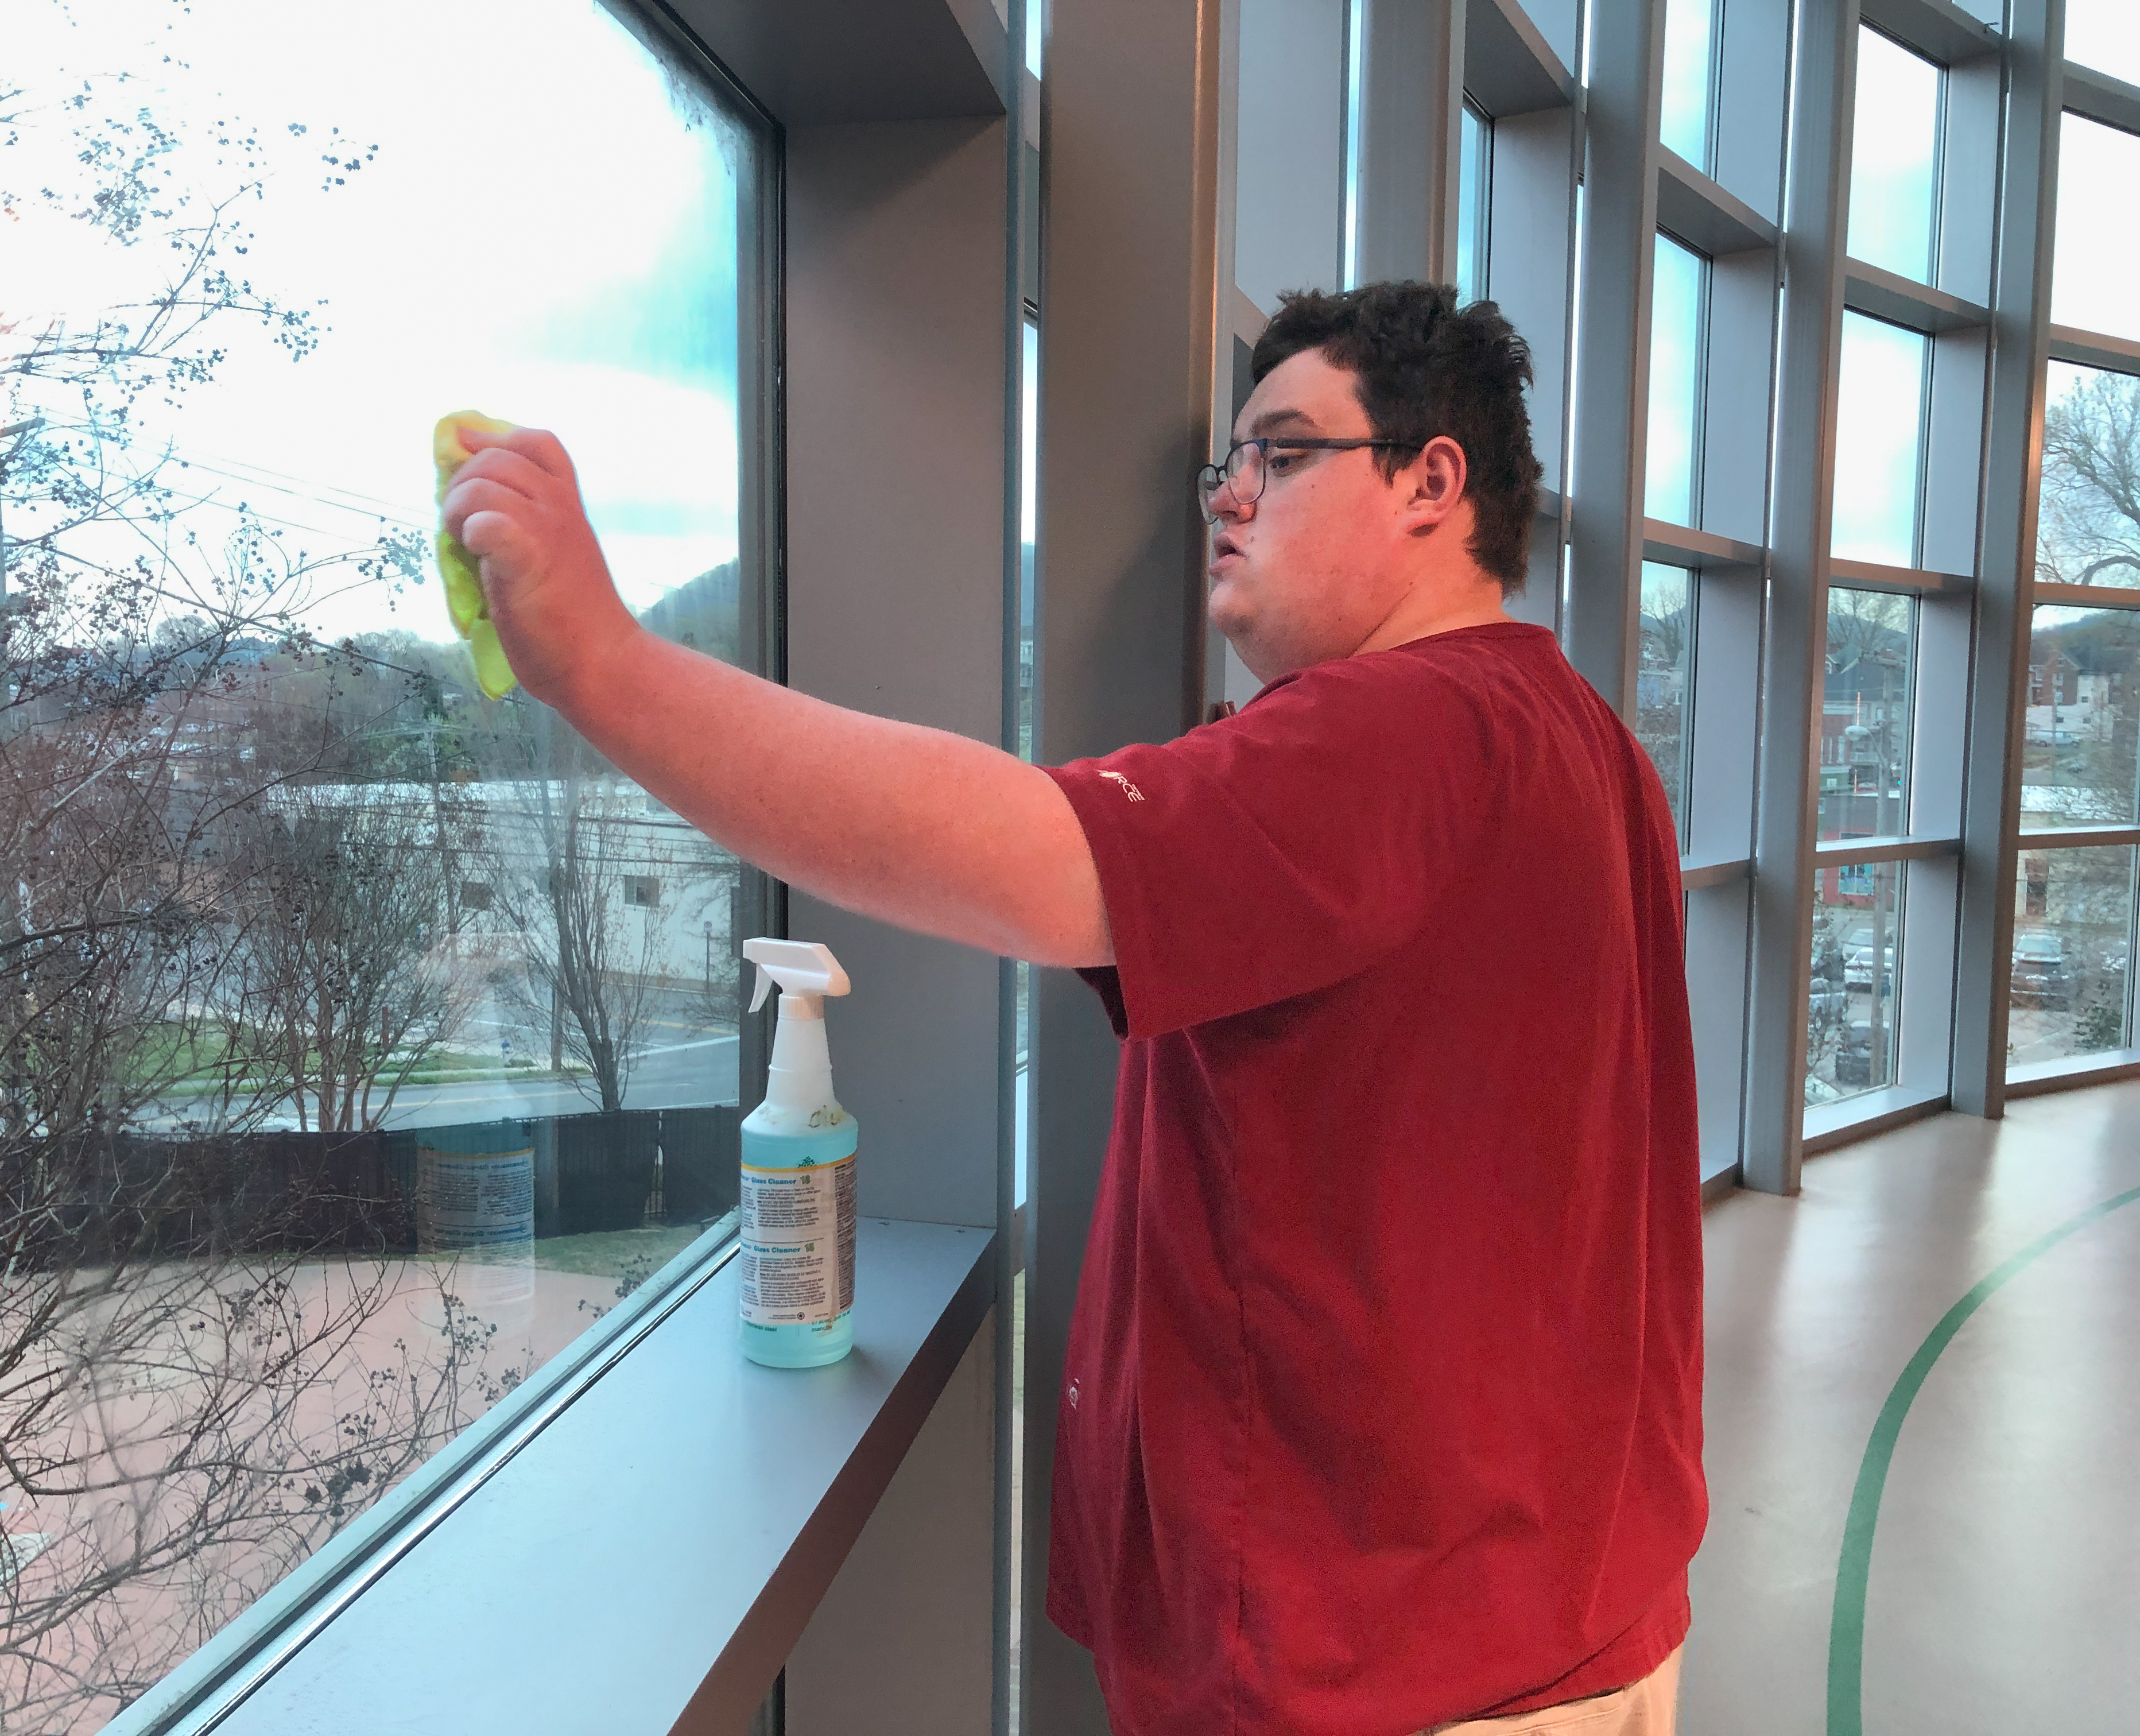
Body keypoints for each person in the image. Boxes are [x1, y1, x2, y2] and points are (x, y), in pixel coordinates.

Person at [442, 280, 1706, 1736]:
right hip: (1571, 1605)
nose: (1231, 498)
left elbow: (1018, 853)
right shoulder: (1590, 747)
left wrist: (602, 661)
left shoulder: (1391, 731)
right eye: (1226, 463)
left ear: (1433, 481)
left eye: (1283, 455)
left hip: (1388, 1661)